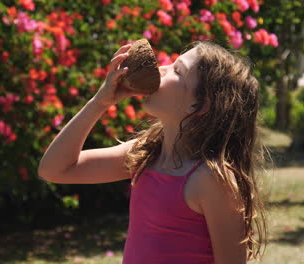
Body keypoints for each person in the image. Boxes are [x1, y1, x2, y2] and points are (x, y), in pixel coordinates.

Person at [38, 40, 267, 264]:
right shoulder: (146, 154)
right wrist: (100, 102)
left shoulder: (211, 180)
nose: (161, 68)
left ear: (200, 105)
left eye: (177, 71)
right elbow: (55, 169)